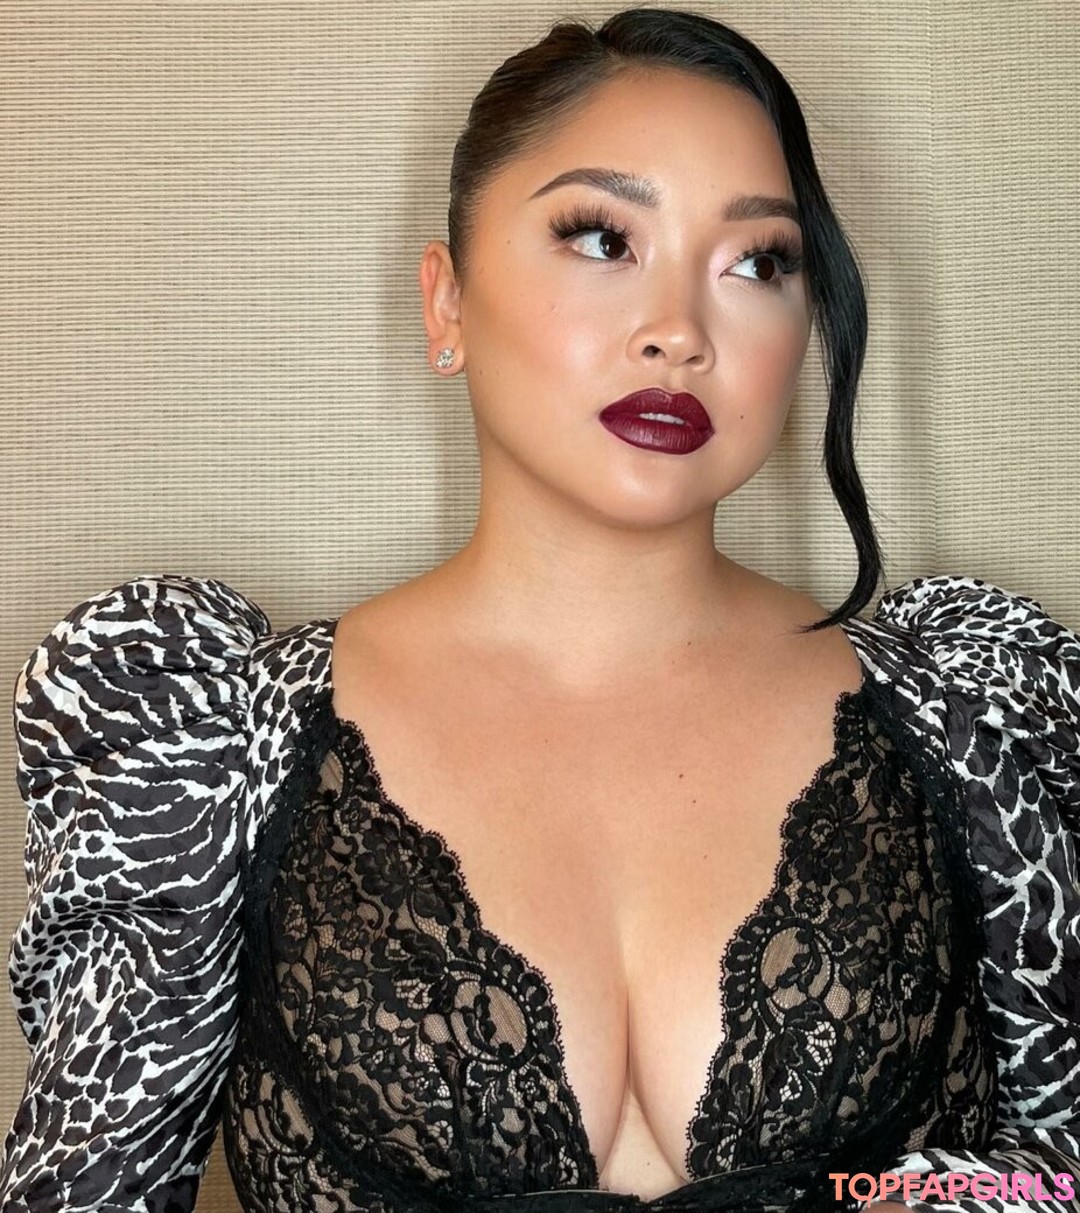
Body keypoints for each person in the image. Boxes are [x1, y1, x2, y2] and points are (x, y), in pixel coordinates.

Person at [1, 7, 1078, 1213]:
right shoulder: (209, 740)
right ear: (446, 304)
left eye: (758, 262)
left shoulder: (969, 713)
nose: (679, 332)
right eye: (603, 238)